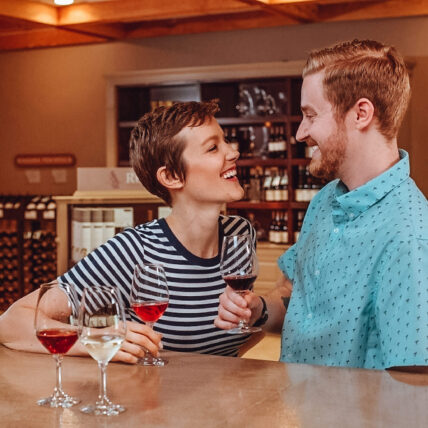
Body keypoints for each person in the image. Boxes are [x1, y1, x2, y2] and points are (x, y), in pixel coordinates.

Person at [215, 39, 428, 371]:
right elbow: (294, 292)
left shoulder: (409, 236)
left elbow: (414, 382)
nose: (301, 133)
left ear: (361, 114)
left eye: (310, 115)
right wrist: (259, 309)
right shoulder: (325, 200)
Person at [0, 100, 261, 363]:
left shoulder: (240, 235)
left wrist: (252, 313)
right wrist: (95, 338)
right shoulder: (133, 250)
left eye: (225, 141)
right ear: (172, 176)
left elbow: (241, 334)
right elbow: (10, 323)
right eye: (213, 147)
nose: (233, 152)